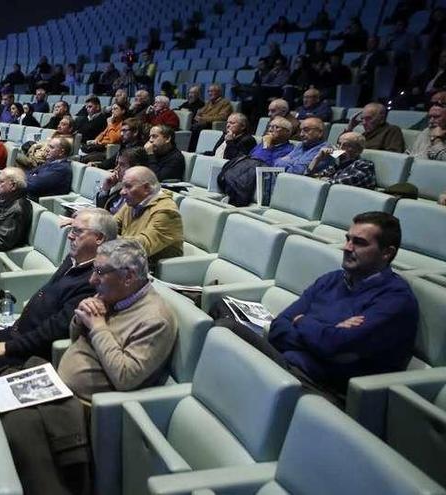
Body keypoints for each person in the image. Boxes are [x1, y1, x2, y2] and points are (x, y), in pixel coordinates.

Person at [215, 212, 419, 400]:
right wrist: (324, 336)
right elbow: (279, 327)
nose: (347, 248)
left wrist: (303, 322)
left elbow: (335, 345)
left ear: (387, 253)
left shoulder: (396, 300)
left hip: (322, 390)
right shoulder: (332, 280)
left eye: (359, 243)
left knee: (229, 342)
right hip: (286, 365)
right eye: (348, 239)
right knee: (223, 324)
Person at [0, 208, 117, 375]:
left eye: (77, 231)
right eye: (72, 229)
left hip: (31, 352)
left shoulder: (93, 281)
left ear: (99, 238)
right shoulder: (74, 259)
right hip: (18, 332)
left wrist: (9, 347)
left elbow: (57, 329)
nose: (70, 235)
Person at [58, 238, 177, 401]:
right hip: (61, 389)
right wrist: (82, 317)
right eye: (94, 270)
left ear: (128, 276)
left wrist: (98, 327)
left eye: (99, 272)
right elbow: (75, 340)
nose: (91, 280)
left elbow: (125, 378)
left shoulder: (156, 320)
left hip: (85, 408)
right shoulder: (114, 295)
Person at [113, 166, 183, 265]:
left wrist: (103, 237)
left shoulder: (167, 211)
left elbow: (142, 246)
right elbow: (111, 225)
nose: (122, 192)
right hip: (127, 261)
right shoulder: (133, 202)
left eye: (128, 186)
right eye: (123, 186)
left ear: (146, 188)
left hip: (150, 270)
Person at [306, 132, 377, 189]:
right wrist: (317, 158)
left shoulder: (364, 164)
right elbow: (308, 176)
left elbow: (337, 184)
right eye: (339, 144)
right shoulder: (337, 166)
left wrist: (322, 179)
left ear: (359, 150)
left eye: (346, 145)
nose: (340, 148)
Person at [96, 147, 149, 214]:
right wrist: (105, 189)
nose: (116, 168)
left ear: (136, 168)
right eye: (117, 164)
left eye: (122, 165)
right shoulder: (119, 186)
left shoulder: (141, 195)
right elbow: (101, 211)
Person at [188, 84, 233, 151]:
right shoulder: (209, 102)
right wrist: (199, 115)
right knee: (191, 124)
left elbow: (222, 117)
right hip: (203, 122)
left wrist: (203, 118)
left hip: (212, 124)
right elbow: (200, 112)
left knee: (196, 127)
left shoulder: (225, 103)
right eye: (208, 91)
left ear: (219, 92)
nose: (209, 93)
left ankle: (192, 149)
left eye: (212, 91)